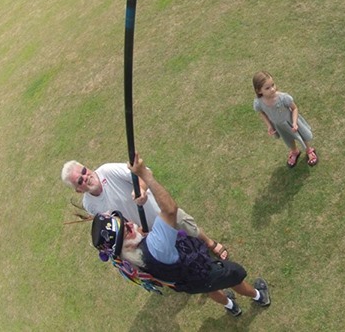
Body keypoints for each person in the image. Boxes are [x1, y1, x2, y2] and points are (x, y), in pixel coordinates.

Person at [91, 152, 270, 318]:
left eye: (126, 222)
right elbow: (170, 210)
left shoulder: (131, 261)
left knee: (210, 290)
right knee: (234, 277)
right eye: (127, 230)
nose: (131, 223)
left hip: (188, 283)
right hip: (203, 270)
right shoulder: (155, 245)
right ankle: (259, 296)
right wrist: (145, 174)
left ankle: (231, 306)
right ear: (127, 246)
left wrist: (139, 235)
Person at [62, 160, 230, 260]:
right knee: (172, 248)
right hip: (143, 232)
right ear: (78, 190)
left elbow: (144, 172)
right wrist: (135, 232)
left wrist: (140, 190)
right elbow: (114, 223)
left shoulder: (107, 171)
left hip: (159, 210)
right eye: (80, 181)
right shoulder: (89, 204)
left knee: (186, 225)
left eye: (84, 171)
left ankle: (209, 243)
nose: (86, 177)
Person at [253, 71, 318, 168]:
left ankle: (309, 150)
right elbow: (262, 112)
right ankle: (295, 151)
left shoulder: (283, 98)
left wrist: (295, 123)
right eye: (267, 88)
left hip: (292, 122)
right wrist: (269, 125)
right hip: (279, 126)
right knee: (288, 138)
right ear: (259, 91)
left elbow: (294, 108)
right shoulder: (259, 103)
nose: (272, 89)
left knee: (301, 136)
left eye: (273, 85)